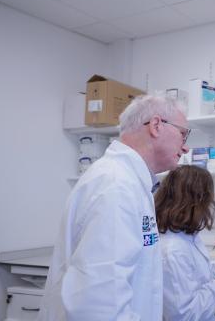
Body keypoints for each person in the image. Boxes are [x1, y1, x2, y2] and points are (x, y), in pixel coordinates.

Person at [39, 95, 190, 320]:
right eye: (183, 134)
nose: (186, 147)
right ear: (156, 126)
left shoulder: (129, 182)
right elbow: (101, 305)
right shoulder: (116, 185)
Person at [155, 165, 215, 321]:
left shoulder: (185, 236)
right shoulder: (173, 250)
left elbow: (194, 275)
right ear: (197, 201)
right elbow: (185, 316)